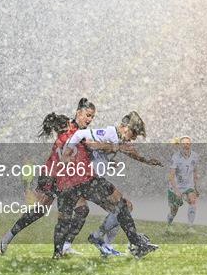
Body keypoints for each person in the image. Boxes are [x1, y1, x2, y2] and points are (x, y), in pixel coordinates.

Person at [53, 111, 159, 259]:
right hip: (87, 180)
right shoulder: (109, 132)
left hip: (88, 179)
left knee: (124, 207)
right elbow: (83, 137)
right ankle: (133, 243)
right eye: (133, 133)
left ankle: (101, 242)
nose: (134, 137)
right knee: (121, 206)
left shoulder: (117, 139)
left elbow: (129, 152)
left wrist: (145, 160)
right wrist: (67, 152)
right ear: (124, 127)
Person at [0, 98, 96, 255]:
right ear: (78, 113)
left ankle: (64, 247)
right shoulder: (68, 127)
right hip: (52, 176)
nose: (90, 120)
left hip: (67, 179)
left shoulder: (79, 132)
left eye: (92, 117)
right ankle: (7, 238)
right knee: (40, 211)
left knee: (82, 210)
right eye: (88, 115)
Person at [166, 136, 199, 232]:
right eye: (184, 144)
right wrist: (176, 190)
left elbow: (195, 171)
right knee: (174, 209)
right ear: (180, 145)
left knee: (193, 201)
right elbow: (171, 175)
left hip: (188, 185)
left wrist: (196, 188)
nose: (186, 145)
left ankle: (190, 227)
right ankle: (169, 224)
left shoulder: (195, 156)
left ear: (191, 144)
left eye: (188, 143)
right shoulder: (176, 157)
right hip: (176, 186)